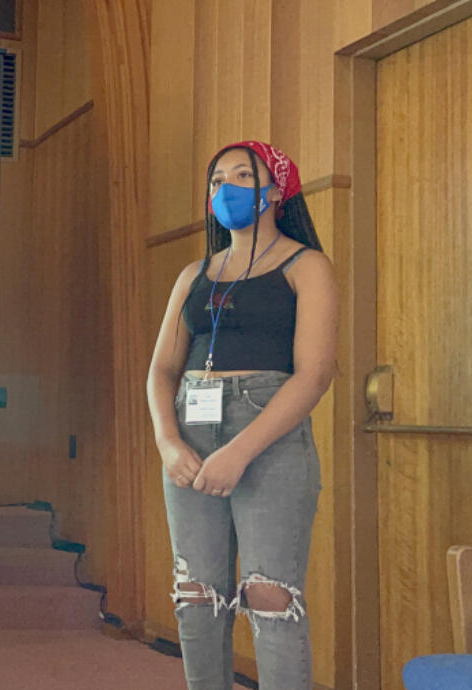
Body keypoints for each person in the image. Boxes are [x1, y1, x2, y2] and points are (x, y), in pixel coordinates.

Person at [145, 141, 336, 690]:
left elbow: (315, 375)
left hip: (269, 435)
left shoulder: (307, 266)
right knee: (196, 593)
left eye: (240, 176)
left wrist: (240, 451)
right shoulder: (193, 274)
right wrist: (167, 441)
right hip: (191, 432)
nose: (224, 188)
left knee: (269, 594)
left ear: (275, 192)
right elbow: (161, 371)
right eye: (216, 180)